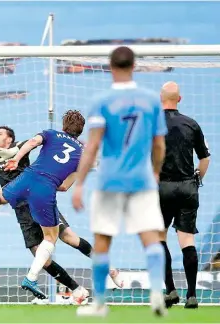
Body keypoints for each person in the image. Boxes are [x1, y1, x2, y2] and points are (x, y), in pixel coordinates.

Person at [0, 94, 123, 302]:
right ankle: (76, 289)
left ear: (10, 138)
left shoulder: (24, 147)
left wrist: (15, 156)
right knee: (43, 253)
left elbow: (31, 143)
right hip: (32, 203)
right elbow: (63, 185)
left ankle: (107, 270)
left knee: (61, 237)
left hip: (25, 191)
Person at [0, 107, 85, 300]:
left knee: (1, 197)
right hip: (40, 197)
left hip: (22, 196)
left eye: (0, 134)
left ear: (10, 139)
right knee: (50, 247)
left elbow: (27, 143)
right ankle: (73, 286)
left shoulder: (19, 146)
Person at [72, 46, 167, 317]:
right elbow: (159, 145)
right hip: (142, 179)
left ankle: (100, 303)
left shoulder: (101, 101)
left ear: (110, 67)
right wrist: (156, 171)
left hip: (109, 180)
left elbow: (92, 146)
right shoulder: (151, 100)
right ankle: (157, 294)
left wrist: (79, 184)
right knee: (150, 235)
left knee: (103, 239)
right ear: (134, 66)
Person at [158, 81, 210, 309]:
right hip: (188, 188)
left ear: (161, 100)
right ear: (179, 99)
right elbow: (205, 158)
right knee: (187, 241)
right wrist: (198, 178)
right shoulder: (192, 124)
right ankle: (191, 295)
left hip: (161, 188)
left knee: (158, 238)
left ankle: (170, 290)